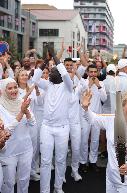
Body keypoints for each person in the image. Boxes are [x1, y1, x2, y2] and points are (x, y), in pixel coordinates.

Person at [81, 91, 127, 193]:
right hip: (111, 178)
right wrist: (85, 107)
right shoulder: (112, 119)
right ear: (122, 107)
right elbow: (93, 119)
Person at [32, 55, 73, 193]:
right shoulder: (47, 84)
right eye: (51, 72)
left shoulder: (68, 86)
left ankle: (58, 187)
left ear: (61, 75)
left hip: (62, 128)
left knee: (61, 160)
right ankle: (44, 190)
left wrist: (55, 58)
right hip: (47, 128)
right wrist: (44, 62)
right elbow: (34, 78)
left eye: (55, 72)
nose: (51, 74)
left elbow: (66, 74)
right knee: (45, 161)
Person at [0, 78, 35, 193]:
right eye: (9, 88)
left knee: (24, 180)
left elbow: (32, 123)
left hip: (26, 148)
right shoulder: (0, 107)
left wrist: (27, 112)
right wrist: (21, 113)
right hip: (8, 152)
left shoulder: (22, 101)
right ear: (3, 90)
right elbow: (6, 131)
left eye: (15, 87)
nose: (13, 90)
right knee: (9, 182)